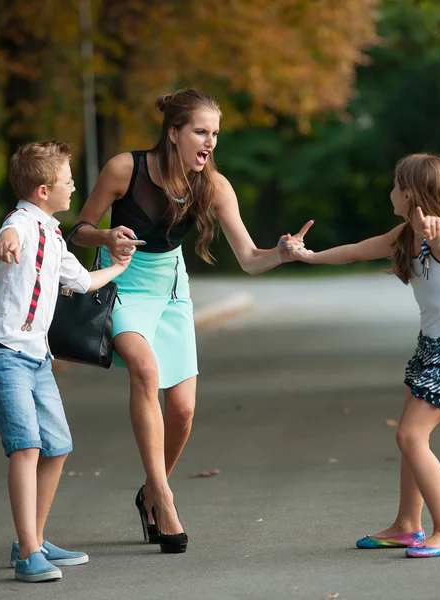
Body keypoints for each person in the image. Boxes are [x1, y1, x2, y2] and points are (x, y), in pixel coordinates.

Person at [70, 88, 313, 553]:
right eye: (201, 131)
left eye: (215, 134)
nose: (210, 142)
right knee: (145, 370)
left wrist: (281, 254)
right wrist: (106, 234)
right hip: (121, 282)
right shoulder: (126, 168)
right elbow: (78, 229)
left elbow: (249, 259)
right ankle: (163, 497)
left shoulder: (215, 186)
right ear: (174, 132)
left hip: (172, 290)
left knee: (181, 409)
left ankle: (148, 491)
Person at [284, 153, 440, 558]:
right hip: (434, 348)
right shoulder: (405, 234)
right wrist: (308, 256)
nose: (390, 191)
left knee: (410, 435)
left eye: (394, 185)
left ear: (409, 192)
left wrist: (434, 233)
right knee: (410, 436)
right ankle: (407, 525)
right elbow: (353, 251)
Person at [0, 140, 143, 582]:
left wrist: (119, 268)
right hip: (3, 353)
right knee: (26, 446)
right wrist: (4, 241)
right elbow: (9, 233)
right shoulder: (23, 223)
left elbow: (82, 281)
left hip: (37, 357)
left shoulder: (52, 232)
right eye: (67, 182)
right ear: (44, 191)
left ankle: (35, 538)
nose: (74, 188)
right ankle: (28, 553)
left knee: (57, 446)